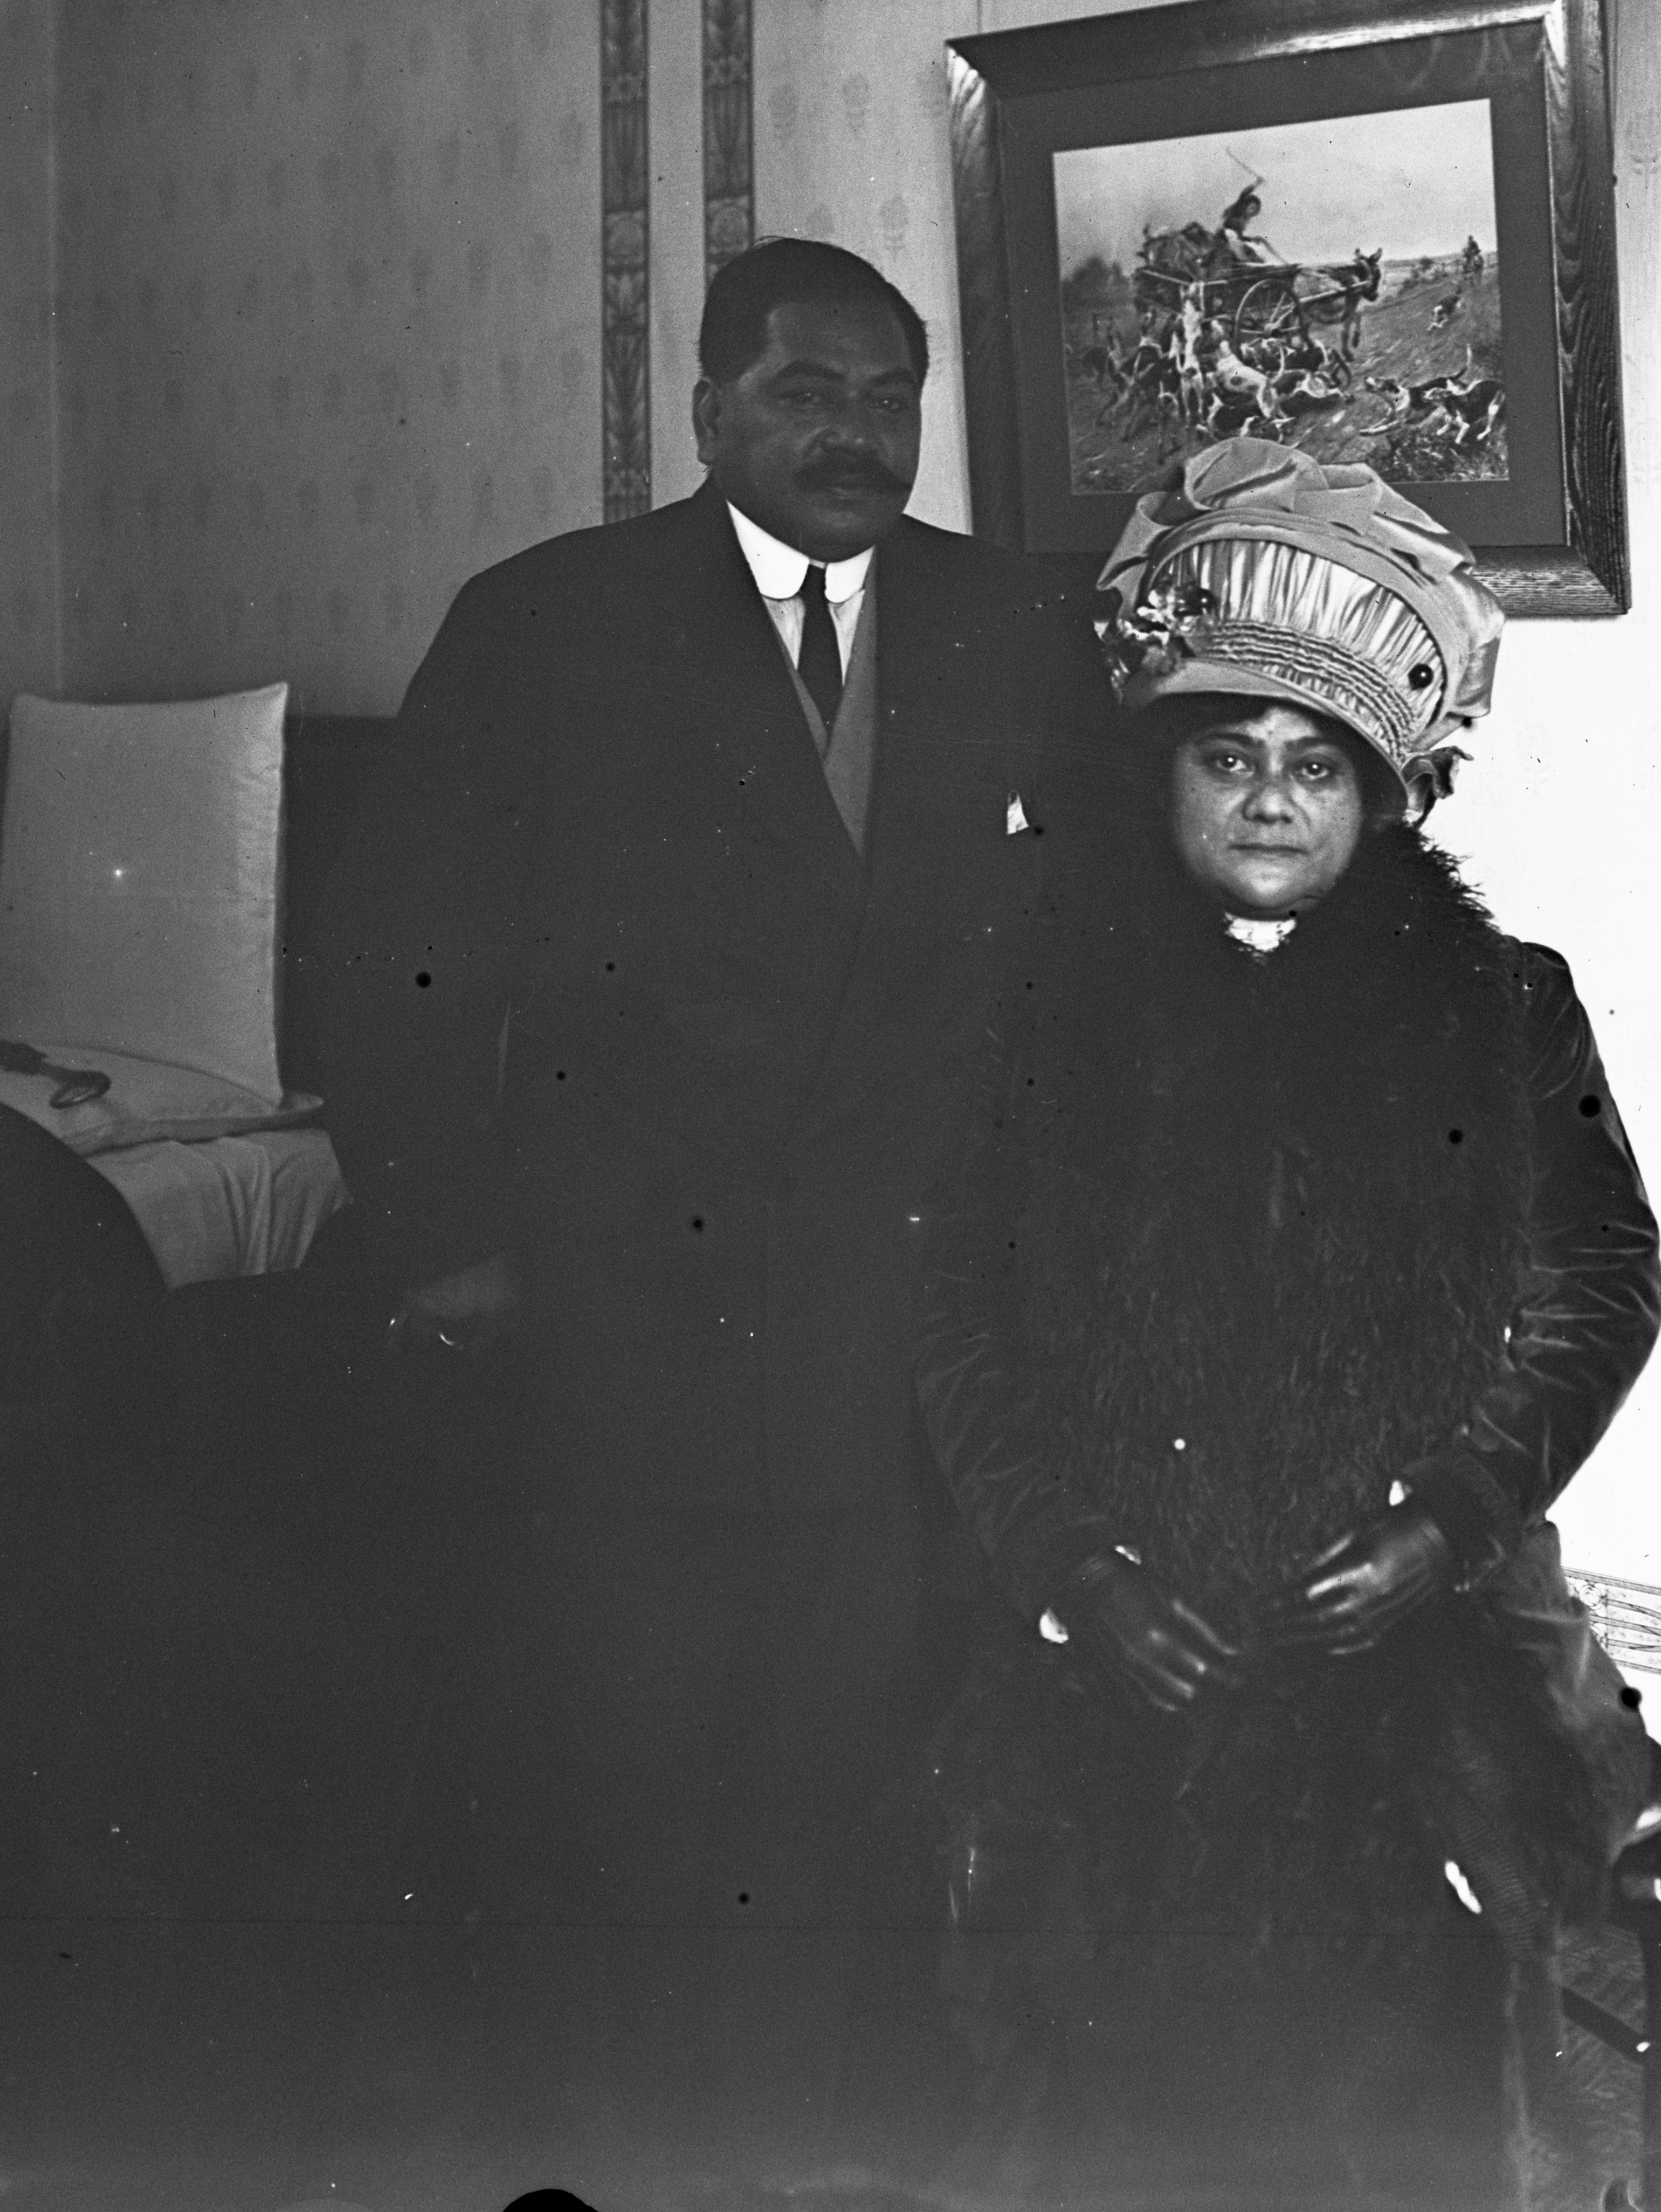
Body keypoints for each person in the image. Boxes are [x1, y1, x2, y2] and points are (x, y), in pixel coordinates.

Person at [310, 238, 1105, 2180]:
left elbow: (1092, 959)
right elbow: (393, 964)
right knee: (642, 1769)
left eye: (889, 397)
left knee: (872, 1758)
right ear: (707, 408)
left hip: (905, 1332)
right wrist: (449, 1242)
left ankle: (848, 2144)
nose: (856, 433)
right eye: (807, 391)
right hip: (629, 1320)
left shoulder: (1010, 622)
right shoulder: (550, 623)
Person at [916, 439, 1661, 2205]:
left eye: (1318, 767)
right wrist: (1065, 1566)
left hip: (1407, 1633)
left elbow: (1601, 1287)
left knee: (1389, 2083)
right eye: (1229, 757)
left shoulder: (1502, 1006)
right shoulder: (1038, 1002)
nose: (1271, 801)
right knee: (1089, 2075)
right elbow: (955, 1303)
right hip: (1116, 1618)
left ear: (1389, 795)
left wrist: (1445, 1523)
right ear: (1159, 775)